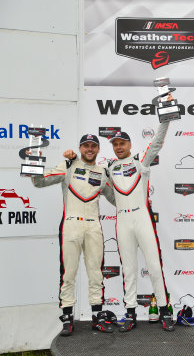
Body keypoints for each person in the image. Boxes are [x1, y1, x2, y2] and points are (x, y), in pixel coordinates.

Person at [67, 122, 174, 332]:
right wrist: (72, 160)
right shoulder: (109, 168)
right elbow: (92, 176)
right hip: (122, 220)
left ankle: (165, 311)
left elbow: (158, 142)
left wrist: (166, 119)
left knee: (154, 267)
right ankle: (131, 313)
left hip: (142, 217)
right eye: (115, 144)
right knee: (129, 270)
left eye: (122, 143)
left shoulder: (141, 160)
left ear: (130, 144)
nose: (118, 147)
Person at [30, 134, 116, 336]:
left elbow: (116, 198)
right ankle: (67, 317)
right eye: (86, 146)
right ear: (80, 148)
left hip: (94, 225)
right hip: (71, 224)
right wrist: (34, 163)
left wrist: (139, 204)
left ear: (97, 149)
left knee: (96, 273)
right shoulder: (68, 165)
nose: (89, 149)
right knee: (68, 273)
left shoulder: (103, 172)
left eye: (93, 146)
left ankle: (98, 316)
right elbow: (40, 182)